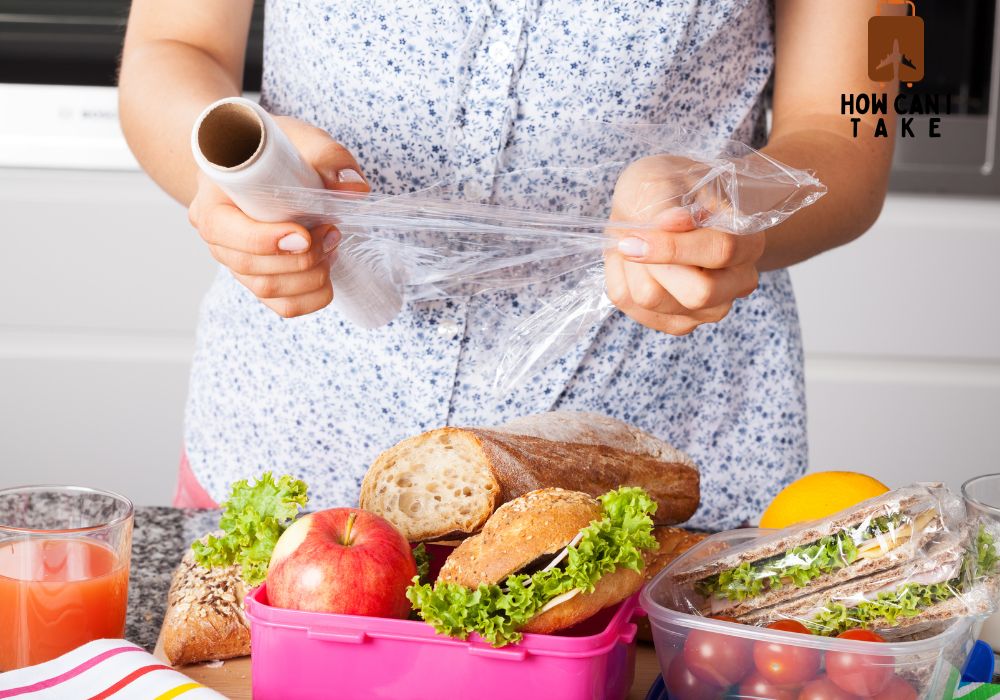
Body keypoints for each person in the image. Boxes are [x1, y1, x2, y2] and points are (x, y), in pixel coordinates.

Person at [119, 1, 896, 529]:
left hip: (652, 470)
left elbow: (857, 128)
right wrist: (236, 173)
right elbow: (168, 48)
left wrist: (720, 203)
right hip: (299, 430)